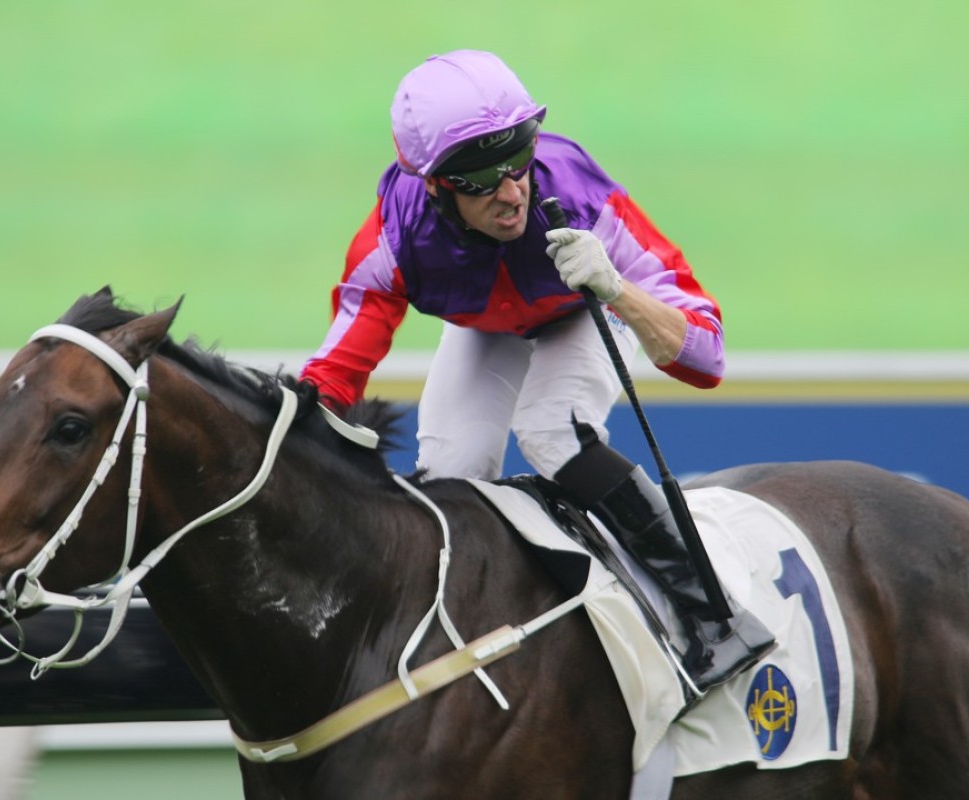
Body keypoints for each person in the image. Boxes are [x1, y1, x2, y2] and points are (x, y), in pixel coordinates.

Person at [300, 49, 773, 694]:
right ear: (435, 186)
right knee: (450, 475)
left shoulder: (579, 195)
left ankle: (714, 612)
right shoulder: (394, 237)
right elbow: (332, 381)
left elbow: (707, 357)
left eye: (519, 160)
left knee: (552, 432)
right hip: (487, 331)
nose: (512, 191)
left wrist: (616, 289)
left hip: (585, 311)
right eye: (480, 178)